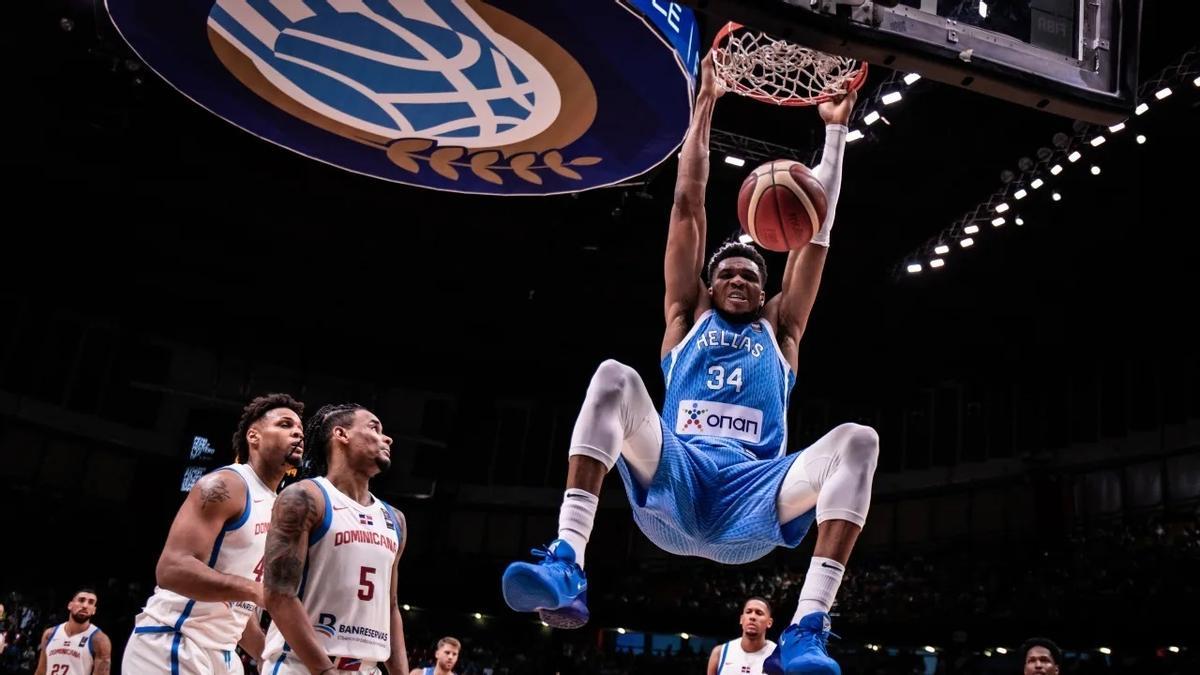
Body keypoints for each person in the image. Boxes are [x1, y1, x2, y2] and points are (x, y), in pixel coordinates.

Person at [501, 53, 878, 675]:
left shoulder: (782, 330)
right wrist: (704, 104)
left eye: (750, 274)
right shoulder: (686, 317)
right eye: (726, 272)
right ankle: (568, 561)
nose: (738, 278)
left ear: (766, 289)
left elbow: (816, 235)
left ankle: (807, 627)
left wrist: (835, 132)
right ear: (707, 282)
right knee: (614, 376)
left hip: (753, 493)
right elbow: (687, 205)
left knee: (859, 441)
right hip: (676, 475)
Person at [124, 394, 305, 674]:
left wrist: (271, 659)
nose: (297, 433)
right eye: (285, 424)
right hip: (175, 640)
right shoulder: (227, 484)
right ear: (253, 436)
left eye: (300, 429)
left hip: (223, 651)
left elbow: (238, 609)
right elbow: (171, 569)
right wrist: (257, 591)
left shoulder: (276, 506)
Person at [261, 404, 409, 675]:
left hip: (366, 668)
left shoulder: (395, 518)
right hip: (303, 666)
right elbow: (278, 595)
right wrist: (325, 671)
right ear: (341, 434)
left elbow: (390, 607)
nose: (387, 439)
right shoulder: (305, 498)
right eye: (374, 428)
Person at [35, 589, 111, 675]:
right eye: (81, 600)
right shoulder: (50, 634)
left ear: (94, 610)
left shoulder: (99, 639)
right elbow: (40, 671)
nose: (85, 605)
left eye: (91, 602)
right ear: (70, 605)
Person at [707, 597, 777, 675]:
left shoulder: (779, 656)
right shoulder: (719, 653)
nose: (752, 617)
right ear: (741, 619)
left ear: (769, 622)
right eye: (748, 612)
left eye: (759, 613)